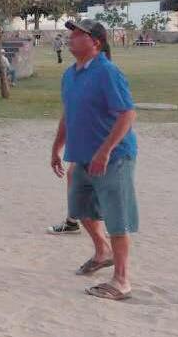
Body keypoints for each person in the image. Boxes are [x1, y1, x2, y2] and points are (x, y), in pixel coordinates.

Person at [50, 20, 138, 301]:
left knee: (117, 218)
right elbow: (69, 112)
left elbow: (127, 114)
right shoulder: (70, 75)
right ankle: (103, 251)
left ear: (96, 43)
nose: (71, 38)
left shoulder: (107, 72)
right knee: (80, 208)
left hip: (114, 158)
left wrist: (105, 151)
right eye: (72, 33)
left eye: (79, 34)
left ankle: (121, 280)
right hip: (82, 156)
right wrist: (57, 146)